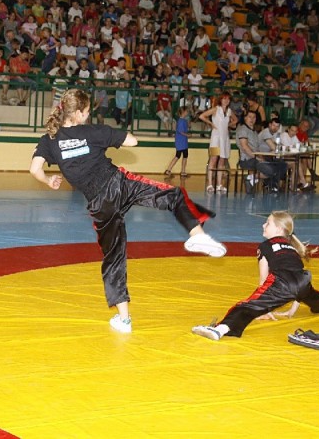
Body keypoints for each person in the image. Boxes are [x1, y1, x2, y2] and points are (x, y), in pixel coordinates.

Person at [30, 89, 226, 333]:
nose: (89, 115)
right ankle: (197, 235)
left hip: (99, 205)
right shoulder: (93, 132)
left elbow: (35, 169)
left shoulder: (49, 140)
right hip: (118, 185)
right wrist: (111, 134)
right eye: (87, 112)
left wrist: (49, 180)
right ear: (78, 114)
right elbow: (132, 141)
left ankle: (124, 320)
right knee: (171, 195)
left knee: (113, 258)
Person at [191, 211, 319, 341]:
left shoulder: (265, 246)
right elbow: (297, 282)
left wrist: (264, 307)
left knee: (247, 306)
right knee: (316, 298)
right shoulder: (292, 246)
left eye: (268, 223)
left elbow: (264, 281)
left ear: (278, 229)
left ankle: (220, 329)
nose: (263, 225)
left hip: (282, 282)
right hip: (303, 281)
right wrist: (292, 309)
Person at [236, 110, 288, 193]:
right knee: (271, 170)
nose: (252, 119)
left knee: (282, 165)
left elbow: (257, 148)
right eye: (250, 117)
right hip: (247, 160)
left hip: (256, 157)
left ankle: (252, 179)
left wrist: (261, 157)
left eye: (254, 117)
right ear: (245, 118)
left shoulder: (254, 131)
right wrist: (257, 157)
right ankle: (254, 180)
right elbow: (245, 147)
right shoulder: (243, 129)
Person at [199, 92, 237, 194]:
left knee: (222, 161)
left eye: (228, 99)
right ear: (220, 99)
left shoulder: (229, 111)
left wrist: (228, 125)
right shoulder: (216, 109)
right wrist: (211, 123)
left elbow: (236, 120)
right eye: (224, 98)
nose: (226, 101)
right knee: (213, 159)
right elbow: (202, 116)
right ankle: (210, 184)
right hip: (215, 139)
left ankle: (219, 184)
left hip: (225, 139)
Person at [164, 106, 190, 178]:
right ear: (183, 112)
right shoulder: (181, 121)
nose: (187, 113)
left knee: (185, 155)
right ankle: (169, 170)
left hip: (183, 141)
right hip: (181, 141)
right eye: (186, 111)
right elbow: (180, 131)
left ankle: (182, 171)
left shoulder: (183, 120)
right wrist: (187, 135)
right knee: (178, 155)